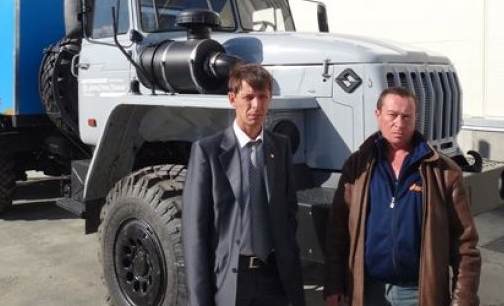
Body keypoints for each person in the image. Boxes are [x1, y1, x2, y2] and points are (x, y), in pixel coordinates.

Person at [324, 87, 481, 306]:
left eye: (407, 116)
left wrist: (462, 300)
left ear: (416, 118)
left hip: (418, 294)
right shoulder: (358, 166)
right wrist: (334, 285)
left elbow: (465, 245)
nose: (399, 123)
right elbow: (338, 232)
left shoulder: (444, 172)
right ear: (378, 114)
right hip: (368, 290)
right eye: (392, 115)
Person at [182, 63, 306, 306]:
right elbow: (195, 233)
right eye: (248, 97)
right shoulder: (208, 152)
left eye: (263, 97)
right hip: (232, 280)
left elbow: (289, 213)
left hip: (274, 277)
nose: (257, 106)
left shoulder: (280, 147)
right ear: (232, 99)